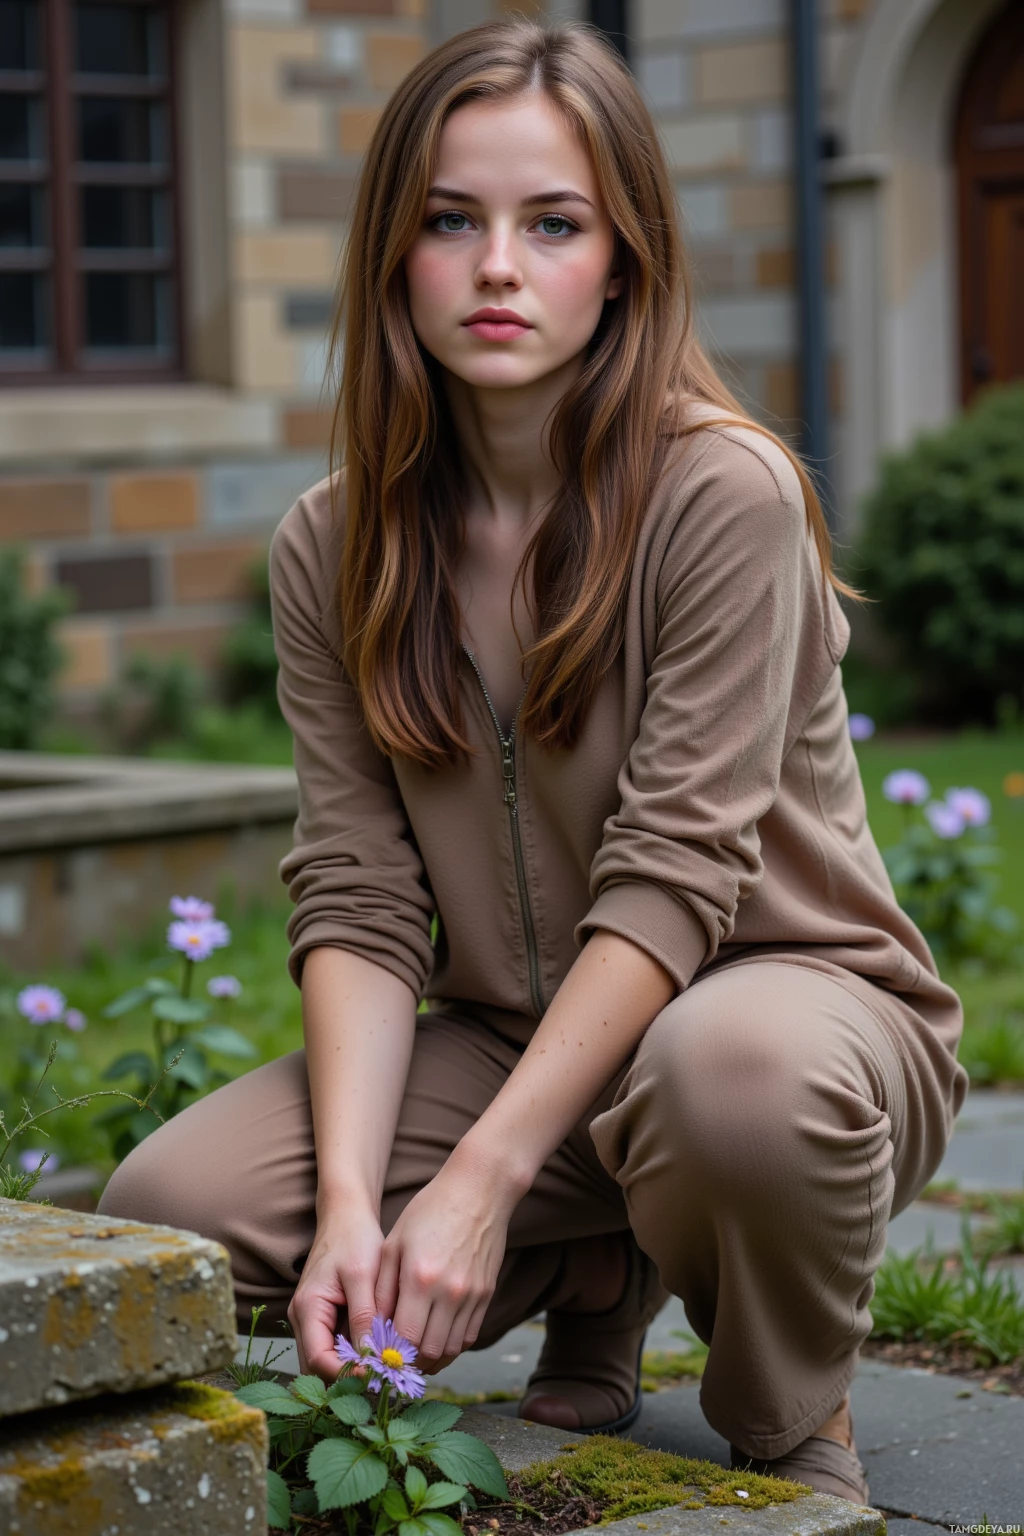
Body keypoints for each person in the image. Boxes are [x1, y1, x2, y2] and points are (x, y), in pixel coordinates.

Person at [99, 19, 968, 1506]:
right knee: (171, 1211)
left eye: (553, 223)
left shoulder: (724, 491)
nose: (497, 266)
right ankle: (598, 1256)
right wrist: (359, 1204)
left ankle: (787, 1412)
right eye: (452, 220)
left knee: (732, 1083)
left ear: (623, 259)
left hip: (790, 1017)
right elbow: (361, 894)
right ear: (393, 253)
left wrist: (481, 1184)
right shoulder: (335, 542)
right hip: (516, 1041)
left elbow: (678, 875)